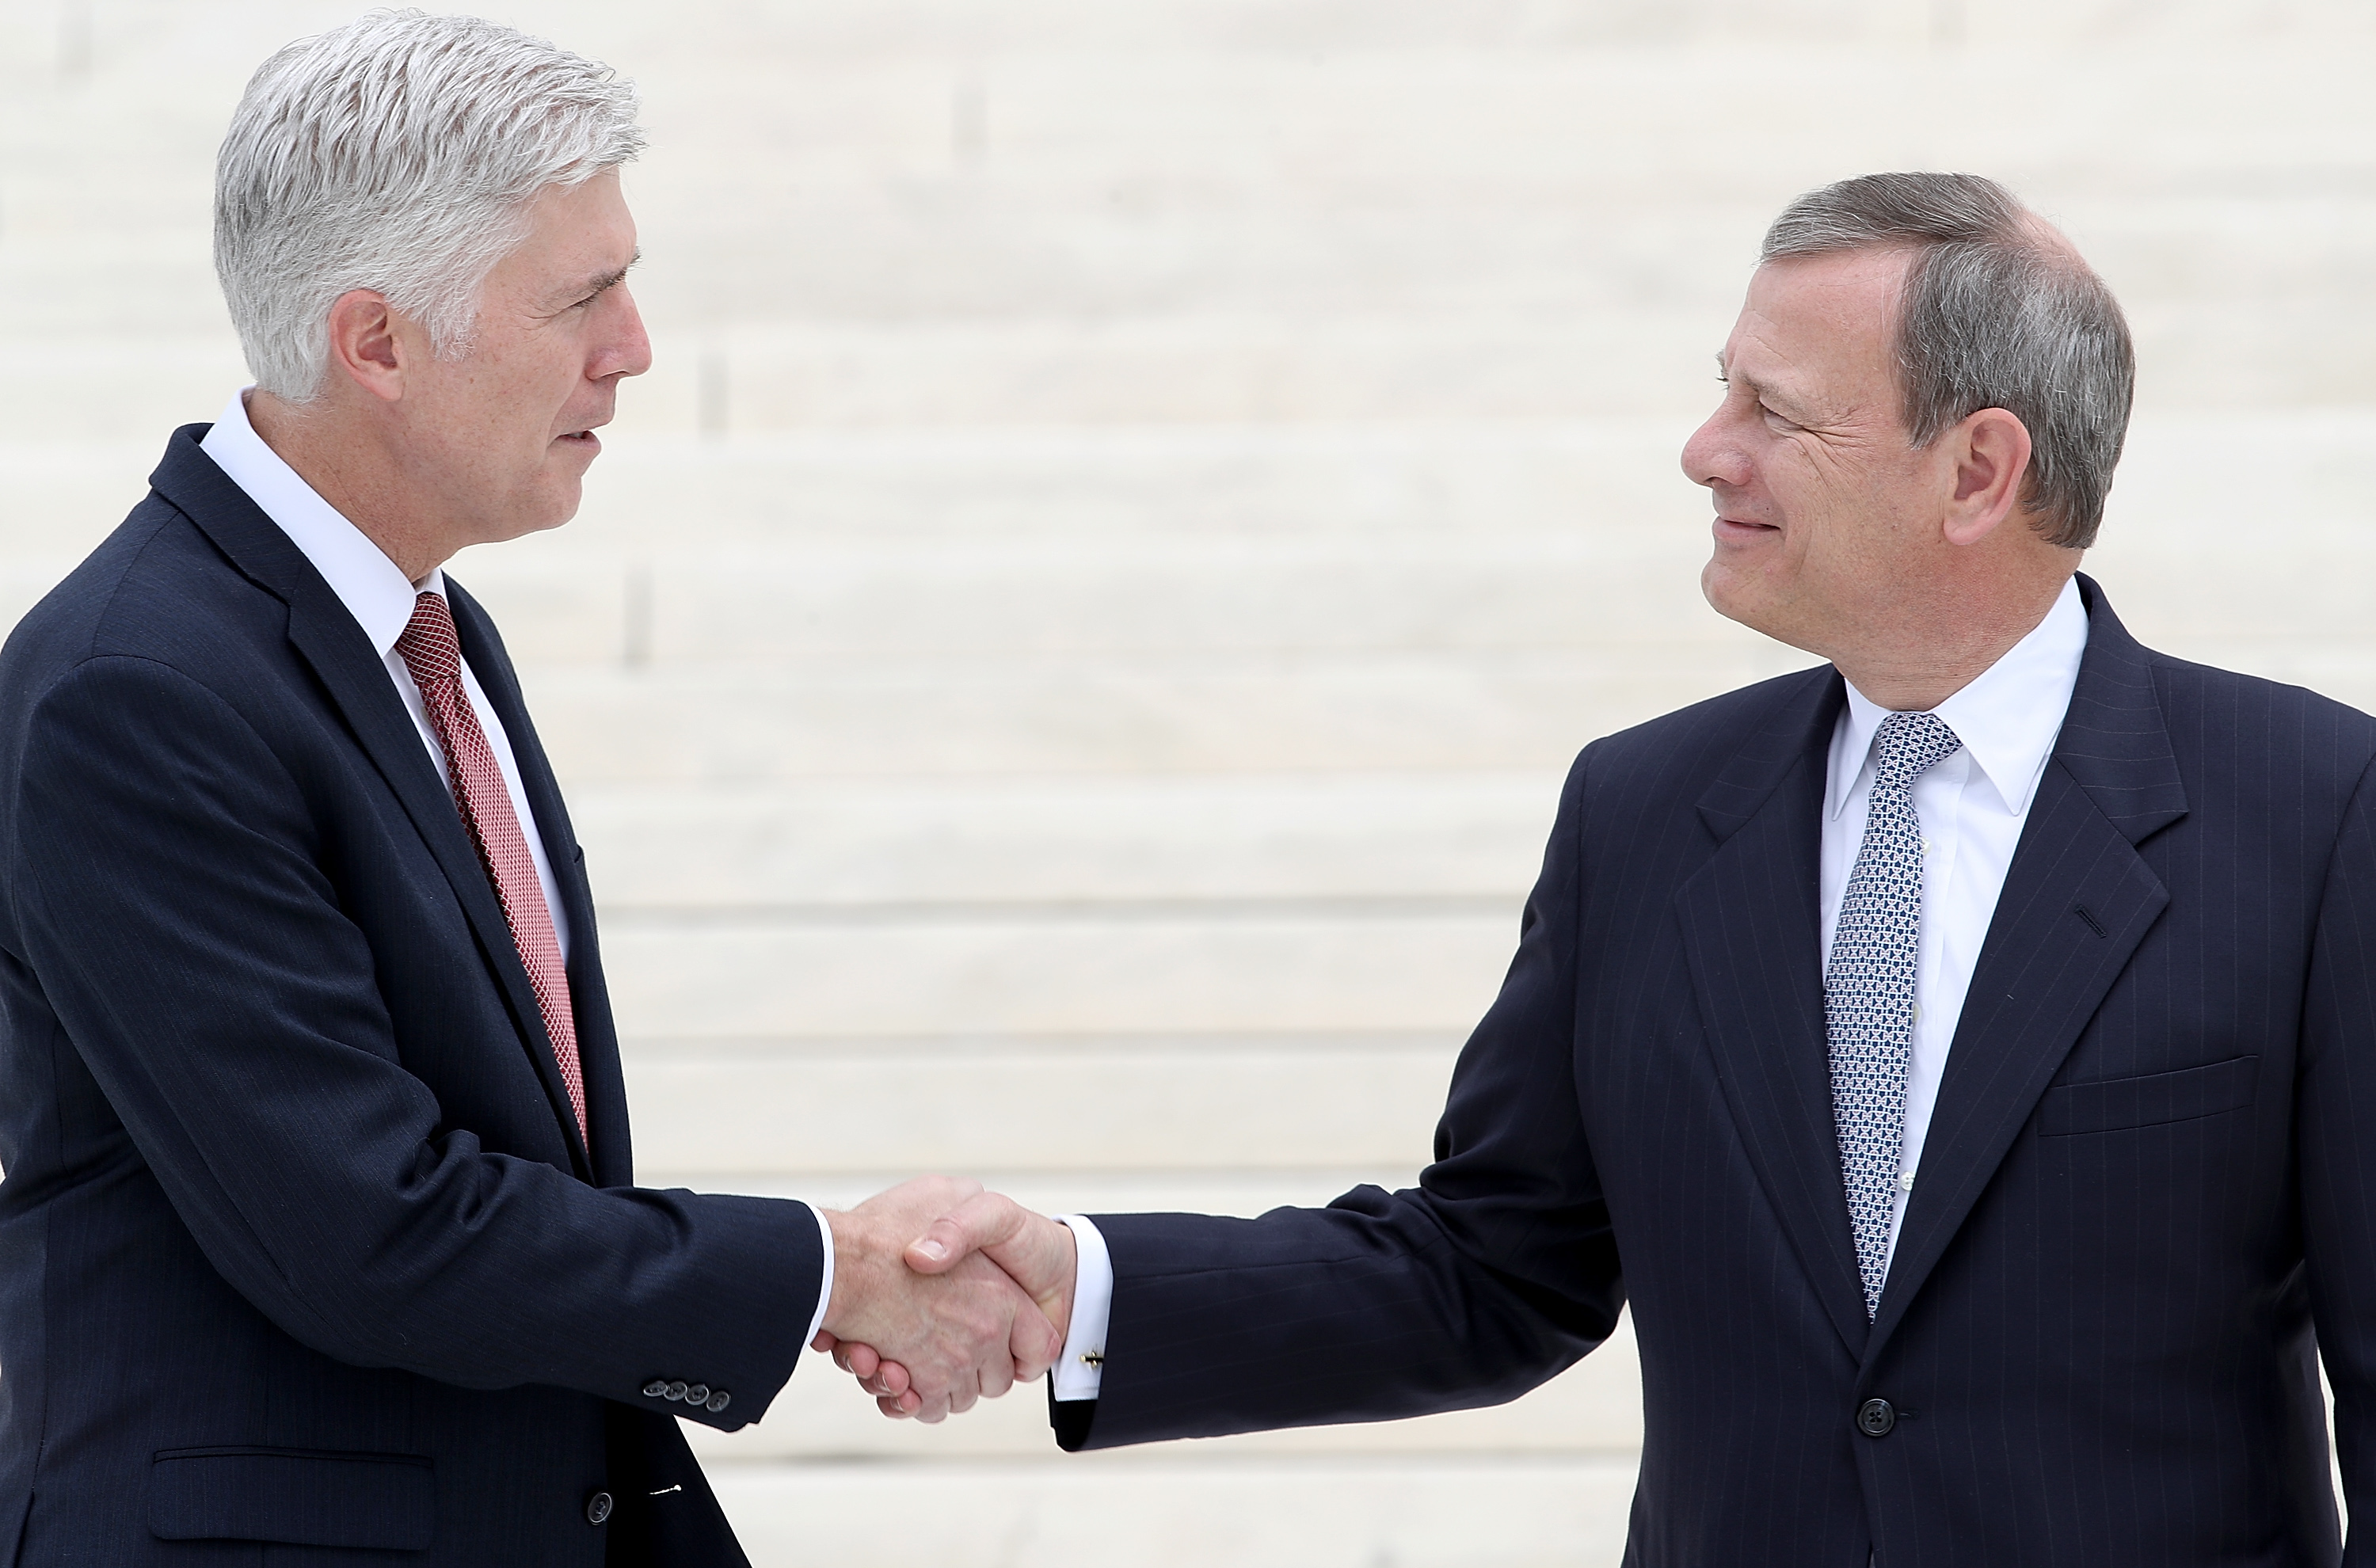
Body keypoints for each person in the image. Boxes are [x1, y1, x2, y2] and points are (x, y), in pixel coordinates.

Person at [828, 173, 2376, 1566]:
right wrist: (1078, 1292)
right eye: (1724, 394)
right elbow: (1493, 1267)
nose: (1708, 451)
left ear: (1977, 469)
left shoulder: (2311, 816)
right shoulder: (1643, 811)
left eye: (1777, 412)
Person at [0, 14, 1053, 1564]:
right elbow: (373, 1229)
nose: (632, 347)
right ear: (376, 344)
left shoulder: (433, 633)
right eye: (582, 297)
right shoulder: (135, 694)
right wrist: (825, 1272)